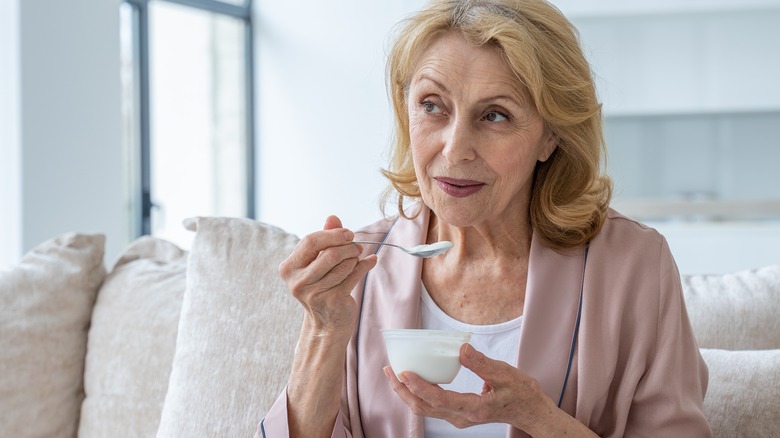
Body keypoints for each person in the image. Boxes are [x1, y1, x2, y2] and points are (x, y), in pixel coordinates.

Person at [259, 0, 711, 436]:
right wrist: (323, 330)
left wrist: (539, 418)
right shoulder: (363, 268)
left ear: (550, 137)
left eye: (495, 115)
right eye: (432, 105)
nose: (455, 149)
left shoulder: (632, 265)